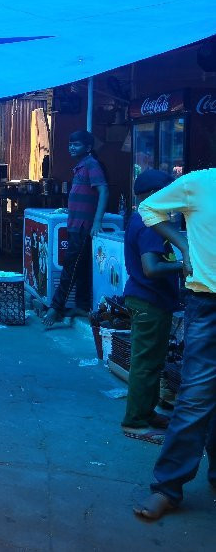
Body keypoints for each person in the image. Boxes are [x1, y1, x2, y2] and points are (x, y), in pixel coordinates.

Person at [131, 167, 216, 521]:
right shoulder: (199, 182)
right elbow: (148, 209)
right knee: (195, 398)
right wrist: (183, 245)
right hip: (208, 303)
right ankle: (167, 487)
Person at [120, 170, 182, 444]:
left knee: (152, 362)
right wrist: (184, 264)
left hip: (147, 300)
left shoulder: (142, 218)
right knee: (146, 365)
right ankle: (135, 422)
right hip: (149, 301)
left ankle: (146, 413)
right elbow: (152, 268)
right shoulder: (149, 223)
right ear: (157, 194)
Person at [43, 131, 108, 327]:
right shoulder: (81, 167)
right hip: (75, 224)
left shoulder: (91, 164)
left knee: (70, 267)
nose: (72, 147)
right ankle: (82, 304)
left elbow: (104, 190)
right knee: (81, 267)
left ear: (87, 148)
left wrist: (97, 222)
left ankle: (56, 308)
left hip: (84, 226)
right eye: (70, 144)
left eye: (77, 144)